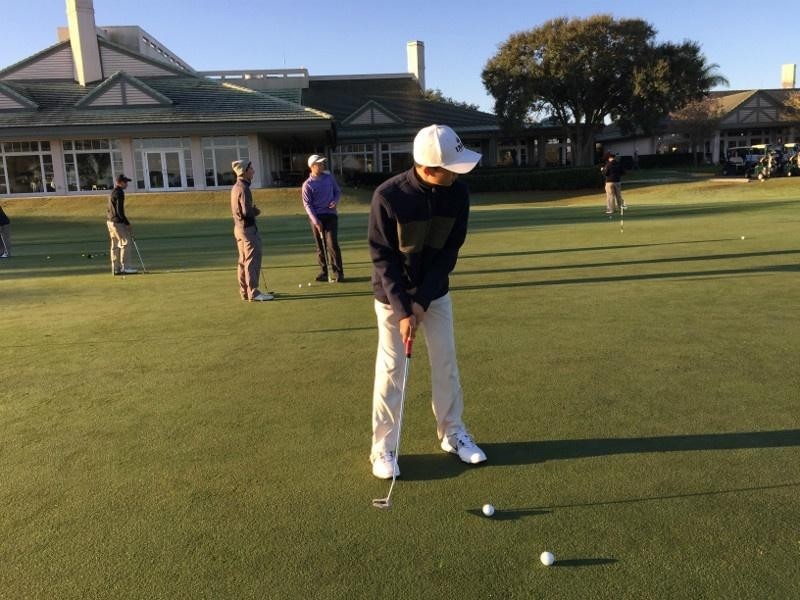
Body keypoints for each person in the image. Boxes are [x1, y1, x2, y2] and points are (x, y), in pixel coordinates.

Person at [367, 124, 487, 479]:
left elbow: (448, 252)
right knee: (392, 370)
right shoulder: (388, 196)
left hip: (434, 292)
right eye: (451, 168)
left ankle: (453, 433)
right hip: (391, 296)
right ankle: (383, 448)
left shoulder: (458, 193)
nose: (457, 174)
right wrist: (404, 309)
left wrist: (421, 302)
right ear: (428, 168)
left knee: (445, 361)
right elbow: (383, 259)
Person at [230, 159, 273, 302]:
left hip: (239, 228)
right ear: (244, 171)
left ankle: (245, 291)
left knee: (243, 261)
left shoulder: (236, 187)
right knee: (251, 261)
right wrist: (255, 211)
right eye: (251, 169)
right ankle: (254, 292)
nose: (253, 171)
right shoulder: (243, 188)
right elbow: (246, 212)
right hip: (248, 229)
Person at [301, 154, 344, 282]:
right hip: (316, 217)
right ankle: (324, 272)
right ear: (312, 166)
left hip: (330, 215)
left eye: (322, 163)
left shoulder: (329, 178)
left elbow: (337, 191)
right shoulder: (307, 185)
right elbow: (307, 205)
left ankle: (338, 272)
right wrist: (316, 221)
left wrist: (335, 201)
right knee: (320, 246)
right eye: (319, 164)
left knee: (332, 244)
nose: (322, 165)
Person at [106, 174, 138, 275]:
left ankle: (115, 269)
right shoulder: (119, 193)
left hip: (110, 221)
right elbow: (120, 211)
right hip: (117, 222)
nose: (127, 184)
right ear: (120, 182)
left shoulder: (112, 192)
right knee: (125, 242)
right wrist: (127, 223)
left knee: (115, 244)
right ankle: (126, 267)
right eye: (125, 182)